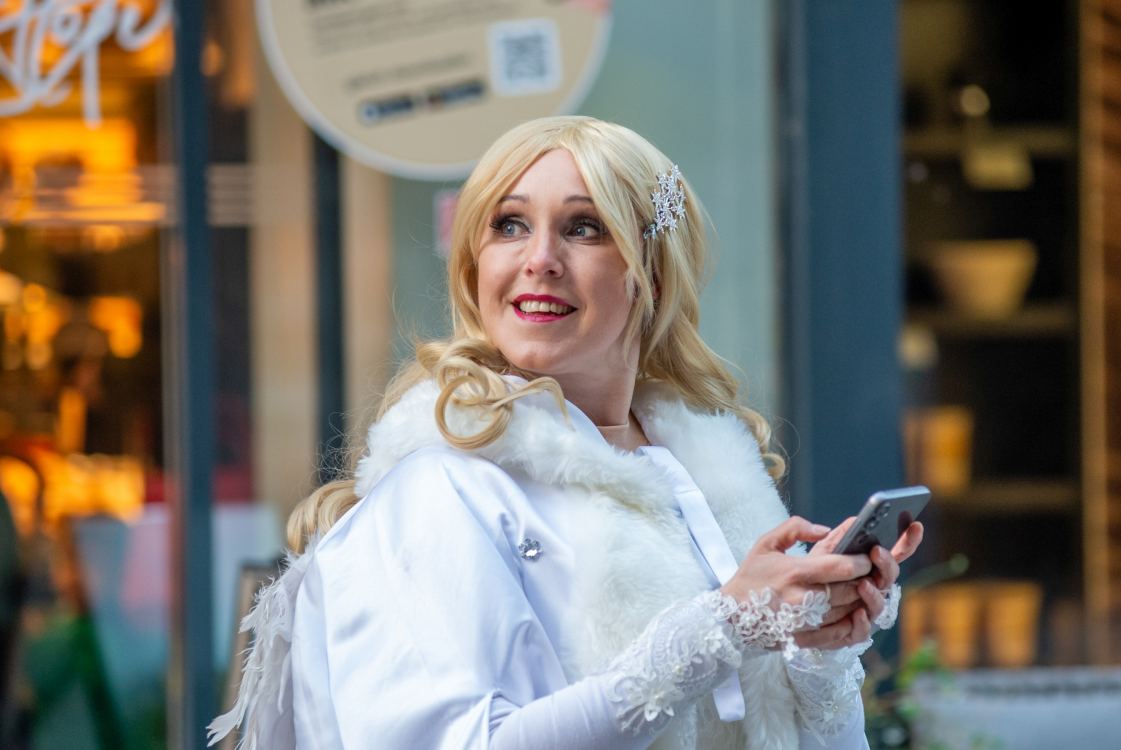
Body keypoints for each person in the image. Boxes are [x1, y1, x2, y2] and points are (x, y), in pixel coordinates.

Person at [209, 116, 923, 749]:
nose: (539, 259)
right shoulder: (439, 491)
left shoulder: (711, 488)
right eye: (509, 225)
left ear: (651, 273)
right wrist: (722, 627)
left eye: (584, 227)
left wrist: (818, 651)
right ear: (474, 266)